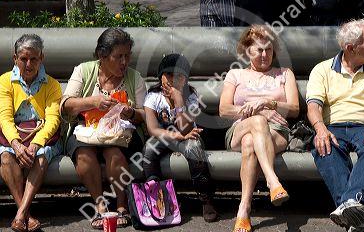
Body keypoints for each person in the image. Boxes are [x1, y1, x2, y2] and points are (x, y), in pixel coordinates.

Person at [306, 17, 364, 231]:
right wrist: (320, 129)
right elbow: (313, 107)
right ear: (351, 48)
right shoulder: (322, 69)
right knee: (324, 147)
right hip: (331, 126)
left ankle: (349, 206)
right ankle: (356, 210)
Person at [61, 28, 146, 229]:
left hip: (122, 133)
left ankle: (121, 205)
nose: (124, 62)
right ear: (102, 55)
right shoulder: (83, 70)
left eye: (127, 56)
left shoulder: (135, 78)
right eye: (118, 57)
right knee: (83, 155)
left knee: (113, 152)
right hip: (86, 131)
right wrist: (92, 102)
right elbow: (65, 105)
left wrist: (131, 113)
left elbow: (145, 114)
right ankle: (100, 205)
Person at [219, 25, 300, 232]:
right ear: (247, 51)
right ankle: (273, 182)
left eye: (269, 50)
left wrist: (268, 103)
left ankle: (243, 210)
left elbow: (294, 109)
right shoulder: (235, 74)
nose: (265, 54)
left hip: (277, 132)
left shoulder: (284, 74)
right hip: (240, 128)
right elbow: (224, 110)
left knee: (250, 143)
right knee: (258, 122)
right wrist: (256, 113)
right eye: (259, 50)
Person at [142, 53, 218, 222]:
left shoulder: (190, 96)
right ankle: (156, 193)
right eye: (168, 74)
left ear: (185, 79)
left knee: (195, 149)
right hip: (165, 136)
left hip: (188, 135)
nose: (172, 80)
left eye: (178, 76)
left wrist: (178, 100)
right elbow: (153, 129)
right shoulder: (153, 96)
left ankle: (206, 198)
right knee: (148, 149)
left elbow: (186, 128)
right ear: (160, 76)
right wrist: (174, 135)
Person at [0, 34, 62, 232]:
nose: (29, 64)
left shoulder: (51, 84)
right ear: (14, 58)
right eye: (23, 58)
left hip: (43, 137)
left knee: (42, 157)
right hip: (13, 136)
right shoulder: (4, 82)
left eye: (34, 58)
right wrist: (17, 144)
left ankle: (20, 214)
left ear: (41, 58)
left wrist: (36, 144)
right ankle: (25, 214)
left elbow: (53, 119)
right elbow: (4, 118)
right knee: (6, 157)